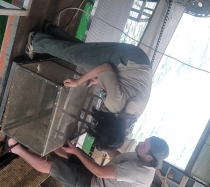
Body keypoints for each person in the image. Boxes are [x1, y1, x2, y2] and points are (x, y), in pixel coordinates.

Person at [25, 24, 153, 130]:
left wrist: (98, 80)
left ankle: (52, 32)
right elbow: (105, 68)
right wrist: (78, 81)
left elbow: (126, 85)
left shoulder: (130, 117)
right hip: (129, 59)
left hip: (139, 62)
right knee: (79, 58)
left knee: (86, 55)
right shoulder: (116, 106)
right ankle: (35, 41)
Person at [6, 136, 169, 187]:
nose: (140, 142)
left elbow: (100, 171)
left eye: (144, 144)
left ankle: (14, 148)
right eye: (144, 140)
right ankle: (35, 138)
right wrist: (104, 144)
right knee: (68, 153)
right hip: (98, 181)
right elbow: (120, 158)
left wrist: (78, 151)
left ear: (149, 156)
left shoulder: (138, 172)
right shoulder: (143, 158)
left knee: (53, 166)